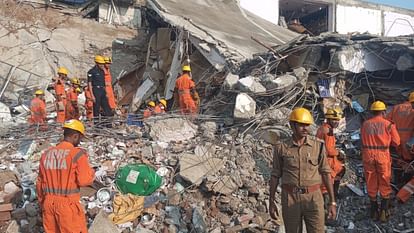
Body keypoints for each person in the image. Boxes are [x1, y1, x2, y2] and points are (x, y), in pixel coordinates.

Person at [269, 107, 336, 233]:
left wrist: (332, 202)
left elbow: (326, 173)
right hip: (290, 198)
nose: (305, 128)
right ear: (292, 125)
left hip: (314, 198)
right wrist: (271, 201)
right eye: (301, 125)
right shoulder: (281, 147)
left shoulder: (318, 146)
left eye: (307, 125)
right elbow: (275, 175)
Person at [36, 119, 95, 233]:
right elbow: (84, 181)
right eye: (80, 138)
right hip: (68, 206)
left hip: (48, 204)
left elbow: (39, 183)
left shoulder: (46, 154)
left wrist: (42, 203)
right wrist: (91, 172)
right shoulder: (77, 154)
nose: (80, 141)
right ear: (75, 136)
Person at [361, 101, 400, 222]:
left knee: (371, 180)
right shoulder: (388, 124)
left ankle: (373, 211)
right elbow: (397, 142)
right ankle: (384, 211)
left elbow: (361, 139)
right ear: (383, 112)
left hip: (368, 154)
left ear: (372, 111)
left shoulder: (365, 124)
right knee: (384, 180)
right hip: (382, 155)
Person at [316, 108, 345, 201]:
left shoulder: (325, 128)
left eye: (337, 120)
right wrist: (339, 153)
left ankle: (334, 194)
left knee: (341, 170)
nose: (336, 122)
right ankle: (328, 202)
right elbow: (329, 150)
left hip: (326, 158)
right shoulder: (327, 130)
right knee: (327, 182)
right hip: (326, 160)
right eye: (334, 119)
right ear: (328, 119)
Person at [387, 92, 414, 185]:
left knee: (399, 161)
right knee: (409, 161)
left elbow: (387, 122)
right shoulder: (412, 109)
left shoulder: (396, 108)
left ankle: (398, 182)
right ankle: (407, 183)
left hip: (396, 138)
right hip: (409, 139)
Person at [87, 55, 113, 124]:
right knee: (96, 109)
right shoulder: (91, 72)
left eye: (102, 64)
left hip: (102, 90)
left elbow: (104, 83)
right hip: (96, 90)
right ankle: (97, 125)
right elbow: (89, 84)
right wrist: (92, 95)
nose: (102, 65)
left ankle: (108, 124)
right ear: (96, 63)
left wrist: (106, 93)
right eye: (100, 64)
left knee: (107, 108)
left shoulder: (102, 71)